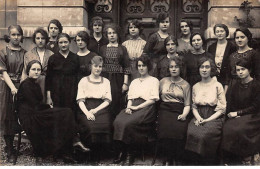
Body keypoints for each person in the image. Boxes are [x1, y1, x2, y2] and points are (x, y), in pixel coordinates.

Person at [17, 60, 90, 163]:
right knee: (65, 113)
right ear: (28, 71)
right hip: (30, 117)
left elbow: (37, 105)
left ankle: (70, 145)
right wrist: (48, 107)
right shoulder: (26, 85)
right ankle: (74, 141)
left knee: (66, 113)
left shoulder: (34, 84)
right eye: (33, 69)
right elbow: (34, 104)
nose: (36, 72)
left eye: (39, 70)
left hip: (36, 112)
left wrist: (48, 108)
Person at [113, 54, 159, 166]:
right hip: (133, 105)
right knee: (118, 121)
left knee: (129, 123)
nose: (141, 68)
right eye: (139, 66)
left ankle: (130, 153)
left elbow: (153, 100)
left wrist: (137, 108)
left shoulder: (154, 81)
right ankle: (123, 150)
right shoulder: (134, 82)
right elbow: (130, 98)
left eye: (144, 65)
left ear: (148, 67)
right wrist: (129, 107)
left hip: (147, 107)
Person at [185, 57, 226, 165]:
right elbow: (194, 106)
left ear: (211, 69)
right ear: (198, 69)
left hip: (214, 116)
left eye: (207, 67)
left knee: (204, 135)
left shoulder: (217, 85)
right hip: (199, 116)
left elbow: (222, 108)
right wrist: (198, 118)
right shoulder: (195, 86)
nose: (204, 70)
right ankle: (195, 163)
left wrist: (207, 120)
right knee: (191, 132)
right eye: (202, 67)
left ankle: (207, 163)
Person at [221, 59, 260, 165]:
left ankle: (244, 157)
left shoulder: (256, 85)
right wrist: (234, 114)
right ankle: (231, 160)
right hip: (238, 115)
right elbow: (232, 103)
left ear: (250, 70)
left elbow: (255, 107)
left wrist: (239, 113)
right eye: (238, 70)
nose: (240, 72)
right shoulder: (235, 84)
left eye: (243, 69)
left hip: (253, 116)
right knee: (227, 127)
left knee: (238, 129)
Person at [76, 56, 112, 162]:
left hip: (101, 108)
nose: (98, 69)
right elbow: (80, 100)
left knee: (104, 124)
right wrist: (87, 113)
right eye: (95, 66)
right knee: (90, 126)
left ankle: (99, 153)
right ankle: (89, 153)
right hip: (85, 108)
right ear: (91, 66)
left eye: (100, 66)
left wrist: (96, 110)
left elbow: (108, 100)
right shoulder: (83, 81)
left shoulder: (106, 81)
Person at [157, 57, 191, 165]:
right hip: (164, 110)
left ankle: (177, 157)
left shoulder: (185, 85)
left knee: (179, 130)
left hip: (179, 110)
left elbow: (187, 104)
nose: (174, 69)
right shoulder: (162, 81)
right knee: (166, 129)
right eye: (171, 67)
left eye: (176, 67)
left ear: (180, 68)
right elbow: (156, 98)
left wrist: (184, 114)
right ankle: (168, 157)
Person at [0, 25, 26, 162]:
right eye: (14, 35)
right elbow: (3, 72)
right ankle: (9, 149)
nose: (16, 37)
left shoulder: (24, 52)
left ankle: (17, 146)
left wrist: (20, 86)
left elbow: (24, 71)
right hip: (7, 86)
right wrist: (12, 88)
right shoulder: (3, 52)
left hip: (20, 85)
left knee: (19, 115)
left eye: (19, 35)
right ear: (9, 36)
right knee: (7, 116)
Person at [100, 23, 130, 118]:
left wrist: (125, 84)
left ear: (117, 34)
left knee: (117, 102)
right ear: (106, 35)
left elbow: (126, 66)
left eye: (114, 33)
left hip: (118, 79)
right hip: (106, 78)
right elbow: (99, 65)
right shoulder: (102, 49)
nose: (112, 35)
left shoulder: (122, 48)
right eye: (109, 33)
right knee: (106, 101)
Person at [45, 33, 79, 114]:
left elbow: (78, 77)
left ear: (69, 42)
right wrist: (49, 97)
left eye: (65, 42)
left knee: (70, 114)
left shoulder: (75, 58)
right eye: (61, 42)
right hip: (57, 93)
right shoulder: (52, 58)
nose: (63, 45)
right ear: (57, 43)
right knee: (58, 115)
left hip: (71, 92)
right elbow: (48, 79)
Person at [21, 28, 53, 102]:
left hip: (46, 84)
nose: (40, 41)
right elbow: (25, 73)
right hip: (32, 84)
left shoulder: (51, 54)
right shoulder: (28, 54)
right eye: (38, 38)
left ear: (46, 40)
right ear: (34, 40)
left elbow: (53, 75)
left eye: (43, 38)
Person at [227, 28, 260, 93]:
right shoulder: (232, 56)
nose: (239, 40)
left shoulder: (254, 54)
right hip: (233, 88)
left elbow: (258, 75)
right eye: (237, 38)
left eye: (242, 37)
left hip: (249, 88)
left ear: (248, 38)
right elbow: (228, 77)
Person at [208, 24, 236, 92]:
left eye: (222, 31)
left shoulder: (232, 47)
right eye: (217, 31)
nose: (219, 33)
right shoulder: (211, 47)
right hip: (214, 78)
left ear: (226, 32)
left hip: (227, 77)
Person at [143, 12, 170, 76]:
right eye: (162, 22)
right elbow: (146, 53)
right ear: (158, 23)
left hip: (168, 65)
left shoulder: (170, 37)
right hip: (155, 66)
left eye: (167, 22)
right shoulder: (153, 37)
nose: (165, 24)